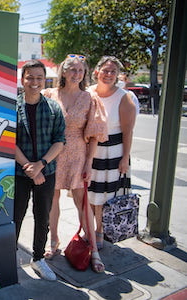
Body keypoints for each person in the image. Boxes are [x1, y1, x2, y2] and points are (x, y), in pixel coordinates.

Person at [42, 54, 108, 273]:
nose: (76, 74)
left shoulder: (90, 98)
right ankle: (53, 242)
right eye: (72, 70)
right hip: (53, 152)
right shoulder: (50, 94)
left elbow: (95, 134)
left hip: (78, 153)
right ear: (63, 71)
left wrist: (89, 163)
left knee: (82, 201)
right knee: (52, 198)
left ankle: (93, 249)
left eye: (80, 70)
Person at [14, 59, 66, 281]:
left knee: (42, 216)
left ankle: (38, 258)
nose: (34, 82)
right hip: (19, 172)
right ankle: (10, 255)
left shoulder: (54, 108)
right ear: (23, 80)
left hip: (47, 171)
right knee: (15, 216)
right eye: (30, 77)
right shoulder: (12, 107)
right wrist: (29, 167)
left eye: (39, 77)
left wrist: (41, 165)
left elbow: (60, 141)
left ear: (44, 80)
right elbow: (9, 141)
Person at [88, 56, 136, 249]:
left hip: (114, 152)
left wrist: (125, 158)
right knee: (90, 194)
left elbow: (128, 131)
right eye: (105, 70)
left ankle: (99, 230)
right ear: (97, 71)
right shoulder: (88, 93)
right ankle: (90, 228)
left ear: (117, 75)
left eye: (113, 72)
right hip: (91, 151)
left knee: (106, 196)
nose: (108, 74)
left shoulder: (124, 97)